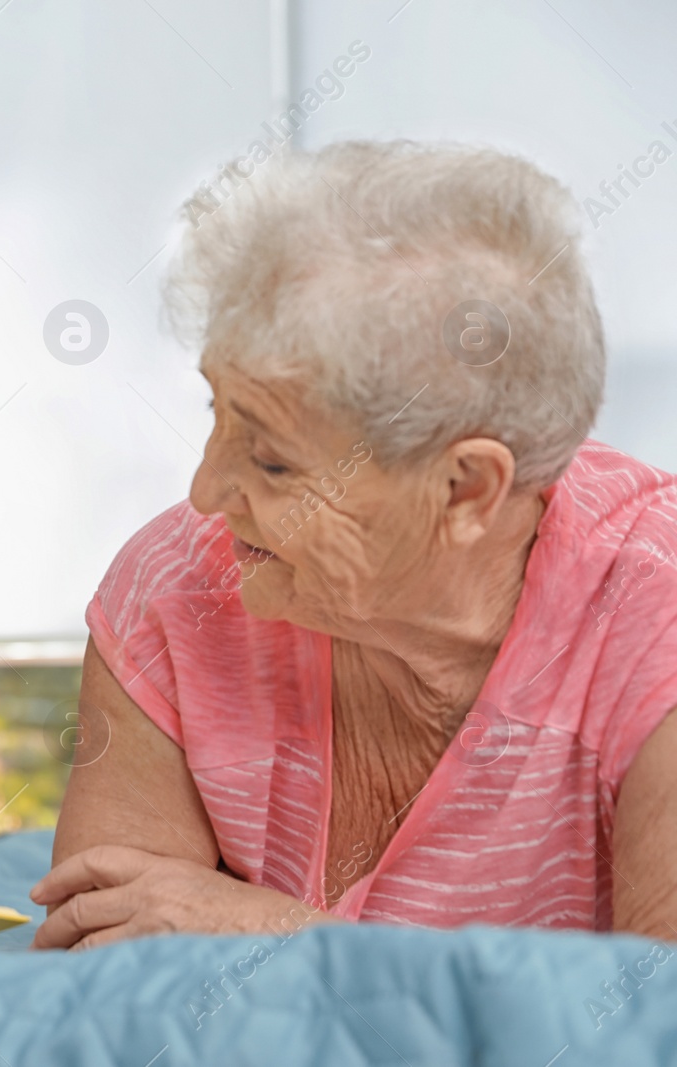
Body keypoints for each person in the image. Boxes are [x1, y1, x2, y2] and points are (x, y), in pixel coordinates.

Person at [33, 140, 677, 948]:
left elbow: (655, 1023)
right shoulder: (177, 589)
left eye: (272, 458)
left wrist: (281, 933)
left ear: (466, 487)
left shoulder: (657, 619)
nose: (206, 491)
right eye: (216, 414)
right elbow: (97, 980)